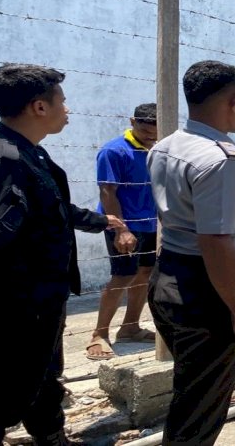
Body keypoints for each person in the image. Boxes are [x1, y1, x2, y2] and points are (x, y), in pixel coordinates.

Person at [0, 64, 130, 445]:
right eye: (62, 102)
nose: (68, 109)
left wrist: (98, 221)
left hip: (40, 296)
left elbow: (48, 209)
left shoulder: (28, 154)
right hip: (14, 302)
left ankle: (51, 437)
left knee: (43, 375)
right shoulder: (4, 160)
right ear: (38, 107)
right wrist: (25, 307)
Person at [147, 60, 235, 445]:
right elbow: (215, 241)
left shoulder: (165, 146)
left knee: (191, 393)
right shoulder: (221, 159)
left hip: (167, 277)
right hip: (205, 290)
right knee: (200, 412)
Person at [86, 103, 159, 360]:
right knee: (122, 276)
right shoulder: (114, 151)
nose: (150, 136)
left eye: (155, 132)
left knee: (145, 273)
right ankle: (100, 333)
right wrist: (121, 229)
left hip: (151, 223)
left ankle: (130, 328)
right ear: (132, 121)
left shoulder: (159, 149)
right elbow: (107, 191)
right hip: (123, 225)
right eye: (145, 130)